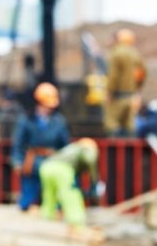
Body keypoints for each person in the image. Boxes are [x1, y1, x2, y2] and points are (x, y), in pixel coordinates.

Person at [11, 82, 70, 211]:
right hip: (33, 162)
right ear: (38, 102)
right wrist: (17, 161)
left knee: (56, 188)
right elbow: (18, 144)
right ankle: (27, 205)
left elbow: (65, 146)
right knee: (29, 191)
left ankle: (56, 206)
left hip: (53, 161)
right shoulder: (26, 120)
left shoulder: (59, 121)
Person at [39, 138, 104, 226]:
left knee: (49, 194)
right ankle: (76, 221)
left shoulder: (70, 147)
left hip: (46, 166)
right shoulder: (86, 150)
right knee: (70, 194)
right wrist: (94, 181)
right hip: (62, 169)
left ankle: (47, 218)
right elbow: (90, 160)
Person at [104, 28, 147, 137]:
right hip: (132, 97)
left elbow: (113, 76)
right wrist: (137, 88)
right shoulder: (136, 54)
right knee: (130, 127)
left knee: (111, 124)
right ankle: (130, 152)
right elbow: (142, 73)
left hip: (117, 97)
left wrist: (109, 92)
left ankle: (114, 151)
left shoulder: (116, 53)